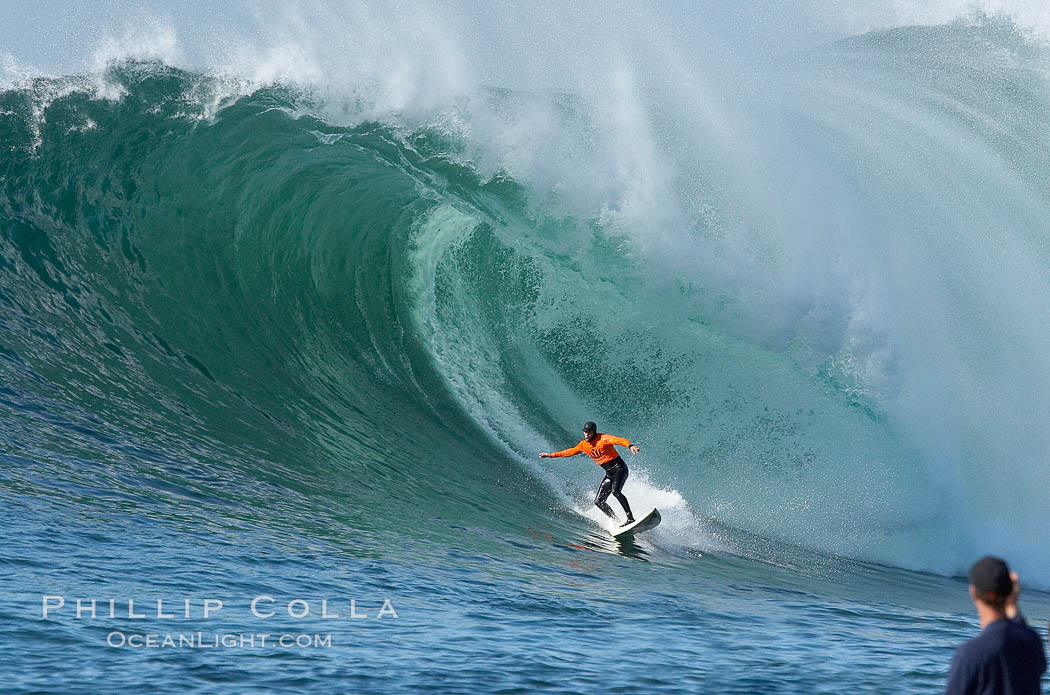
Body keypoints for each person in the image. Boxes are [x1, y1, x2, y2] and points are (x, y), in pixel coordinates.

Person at [945, 556, 1046, 695]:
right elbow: (1022, 632)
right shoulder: (1033, 643)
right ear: (1010, 591)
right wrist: (1013, 606)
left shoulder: (970, 654)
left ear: (973, 592)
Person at [539, 421, 640, 526]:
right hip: (609, 474)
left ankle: (630, 518)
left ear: (594, 432)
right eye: (585, 432)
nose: (587, 434)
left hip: (620, 468)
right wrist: (550, 455)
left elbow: (619, 440)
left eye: (589, 432)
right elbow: (569, 452)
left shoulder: (603, 438)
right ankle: (617, 522)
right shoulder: (583, 445)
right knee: (598, 502)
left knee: (616, 491)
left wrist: (630, 446)